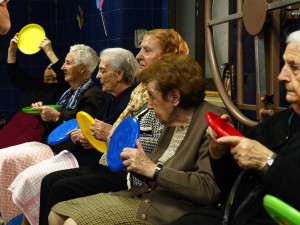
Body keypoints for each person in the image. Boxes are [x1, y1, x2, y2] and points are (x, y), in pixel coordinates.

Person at [48, 53, 228, 225]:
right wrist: (138, 165)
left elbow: (209, 189)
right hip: (146, 196)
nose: (149, 104)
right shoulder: (172, 118)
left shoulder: (212, 122)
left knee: (71, 222)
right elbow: (156, 172)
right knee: (56, 214)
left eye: (152, 97)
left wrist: (152, 169)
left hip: (168, 210)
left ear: (175, 97)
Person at [38, 28, 189, 225]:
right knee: (50, 182)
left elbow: (151, 148)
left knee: (59, 188)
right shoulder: (141, 91)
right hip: (114, 164)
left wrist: (110, 134)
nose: (138, 56)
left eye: (147, 50)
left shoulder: (167, 98)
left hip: (131, 177)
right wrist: (95, 136)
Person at [166, 29, 300, 225]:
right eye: (283, 65)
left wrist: (268, 162)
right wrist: (219, 155)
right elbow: (231, 186)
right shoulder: (277, 123)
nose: (281, 76)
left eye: (294, 67)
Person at [8, 47, 140, 225]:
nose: (98, 76)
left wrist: (90, 134)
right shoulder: (109, 97)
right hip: (81, 153)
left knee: (55, 185)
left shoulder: (126, 101)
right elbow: (91, 128)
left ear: (119, 75)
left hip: (102, 163)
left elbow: (116, 140)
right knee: (47, 181)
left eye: (102, 71)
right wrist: (86, 135)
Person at [0, 44, 104, 224]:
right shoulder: (67, 92)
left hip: (68, 153)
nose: (62, 67)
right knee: (2, 157)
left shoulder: (93, 95)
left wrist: (57, 116)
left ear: (82, 68)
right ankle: (9, 215)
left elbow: (82, 126)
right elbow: (55, 123)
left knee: (27, 178)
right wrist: (43, 114)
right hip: (48, 145)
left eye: (67, 63)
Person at [0, 34, 69, 149]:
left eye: (53, 67)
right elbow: (14, 74)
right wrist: (12, 50)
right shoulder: (34, 83)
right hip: (17, 124)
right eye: (48, 66)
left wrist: (49, 51)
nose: (49, 67)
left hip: (37, 128)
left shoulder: (63, 87)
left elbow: (63, 74)